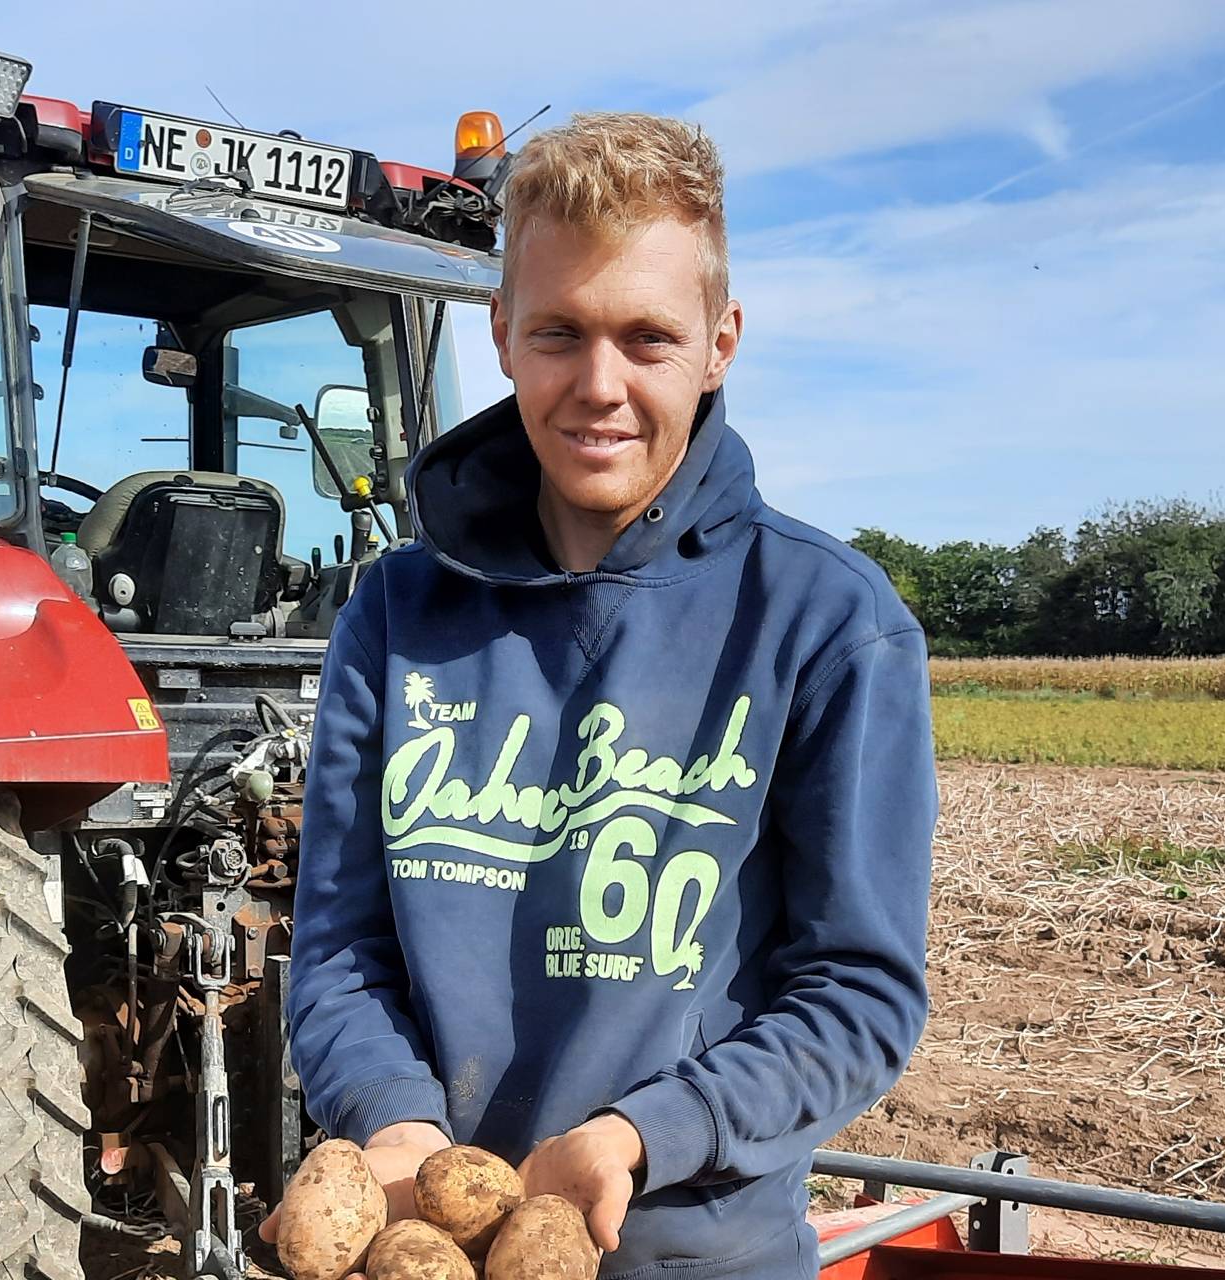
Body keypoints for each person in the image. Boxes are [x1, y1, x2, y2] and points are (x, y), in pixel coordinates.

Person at [283, 111, 937, 1277]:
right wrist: (392, 1113)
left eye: (647, 337)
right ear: (498, 334)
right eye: (558, 333)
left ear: (721, 340)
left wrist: (647, 1133)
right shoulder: (394, 615)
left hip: (694, 1251)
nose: (600, 386)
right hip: (433, 1242)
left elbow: (857, 990)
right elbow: (339, 948)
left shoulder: (826, 620)